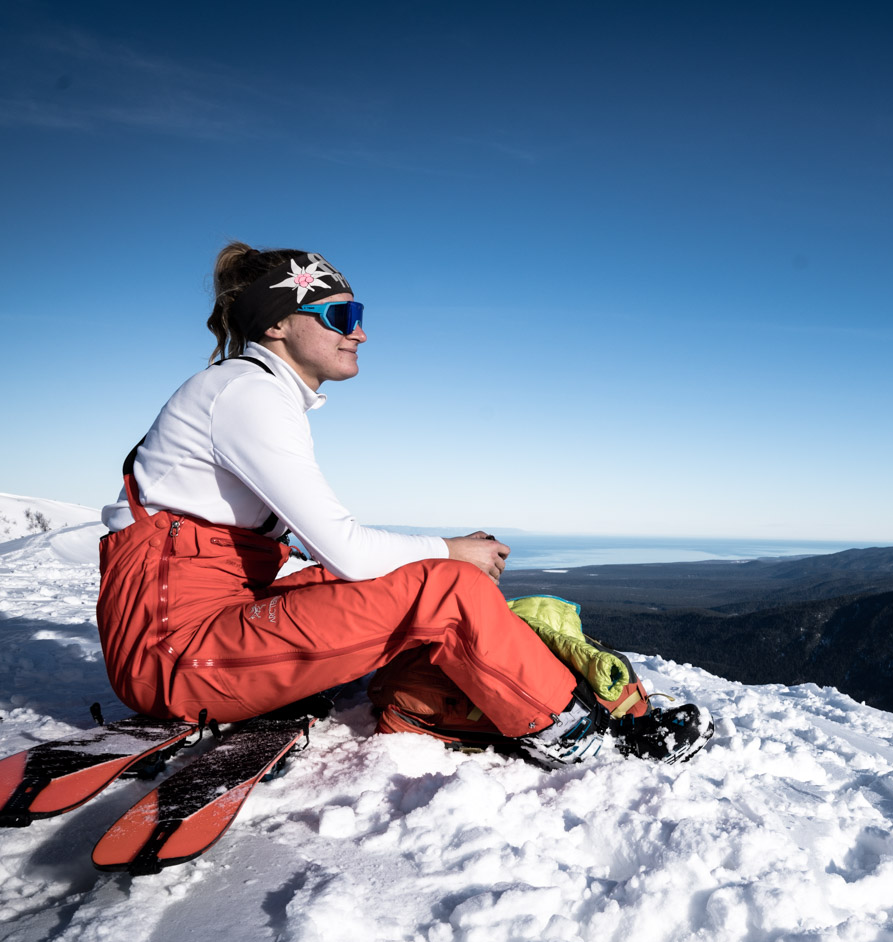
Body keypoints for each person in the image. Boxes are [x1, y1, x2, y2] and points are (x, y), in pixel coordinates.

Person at [96, 243, 707, 765]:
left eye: (356, 314)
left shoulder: (244, 394)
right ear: (277, 324)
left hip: (204, 631)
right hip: (174, 658)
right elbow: (347, 548)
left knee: (396, 580)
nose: (358, 331)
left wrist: (429, 559)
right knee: (445, 589)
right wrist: (453, 553)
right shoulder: (246, 396)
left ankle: (436, 700)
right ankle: (575, 732)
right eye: (340, 314)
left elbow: (327, 556)